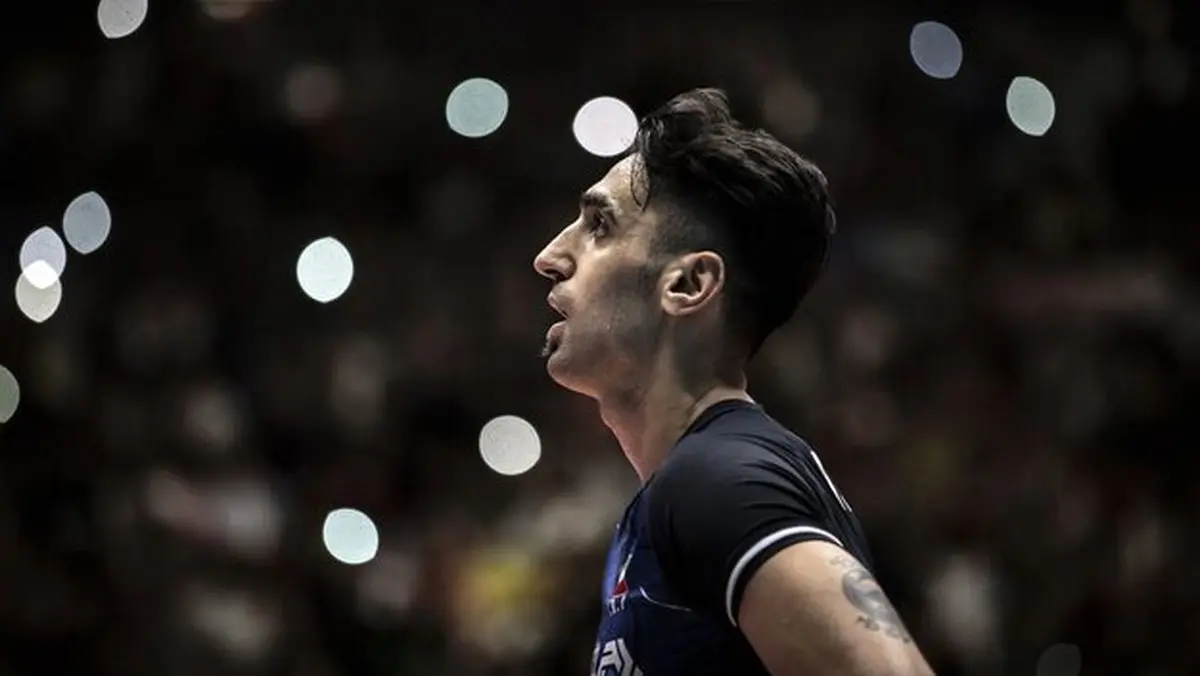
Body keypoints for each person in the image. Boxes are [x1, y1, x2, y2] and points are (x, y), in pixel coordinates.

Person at [533, 88, 934, 676]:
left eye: (599, 225)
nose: (549, 255)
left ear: (688, 285)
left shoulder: (716, 479)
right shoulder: (690, 485)